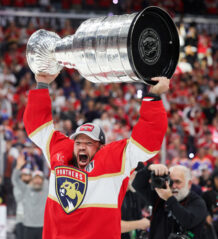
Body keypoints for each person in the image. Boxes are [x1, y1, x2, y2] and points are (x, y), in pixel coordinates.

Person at [23, 73, 169, 239]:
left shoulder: (113, 160)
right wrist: (42, 83)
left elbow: (147, 142)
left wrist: (154, 96)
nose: (82, 147)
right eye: (78, 143)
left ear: (101, 147)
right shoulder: (61, 154)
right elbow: (37, 127)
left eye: (89, 143)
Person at [132, 164, 208, 239]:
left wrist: (169, 199)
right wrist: (149, 168)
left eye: (178, 182)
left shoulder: (197, 203)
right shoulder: (160, 197)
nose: (173, 186)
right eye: (171, 182)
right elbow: (137, 185)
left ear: (189, 184)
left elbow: (188, 221)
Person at [12, 154, 48, 239]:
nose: (37, 180)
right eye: (35, 178)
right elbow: (15, 180)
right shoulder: (26, 189)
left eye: (40, 178)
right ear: (32, 179)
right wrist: (18, 167)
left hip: (43, 226)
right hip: (28, 226)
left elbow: (50, 180)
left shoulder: (46, 189)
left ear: (43, 180)